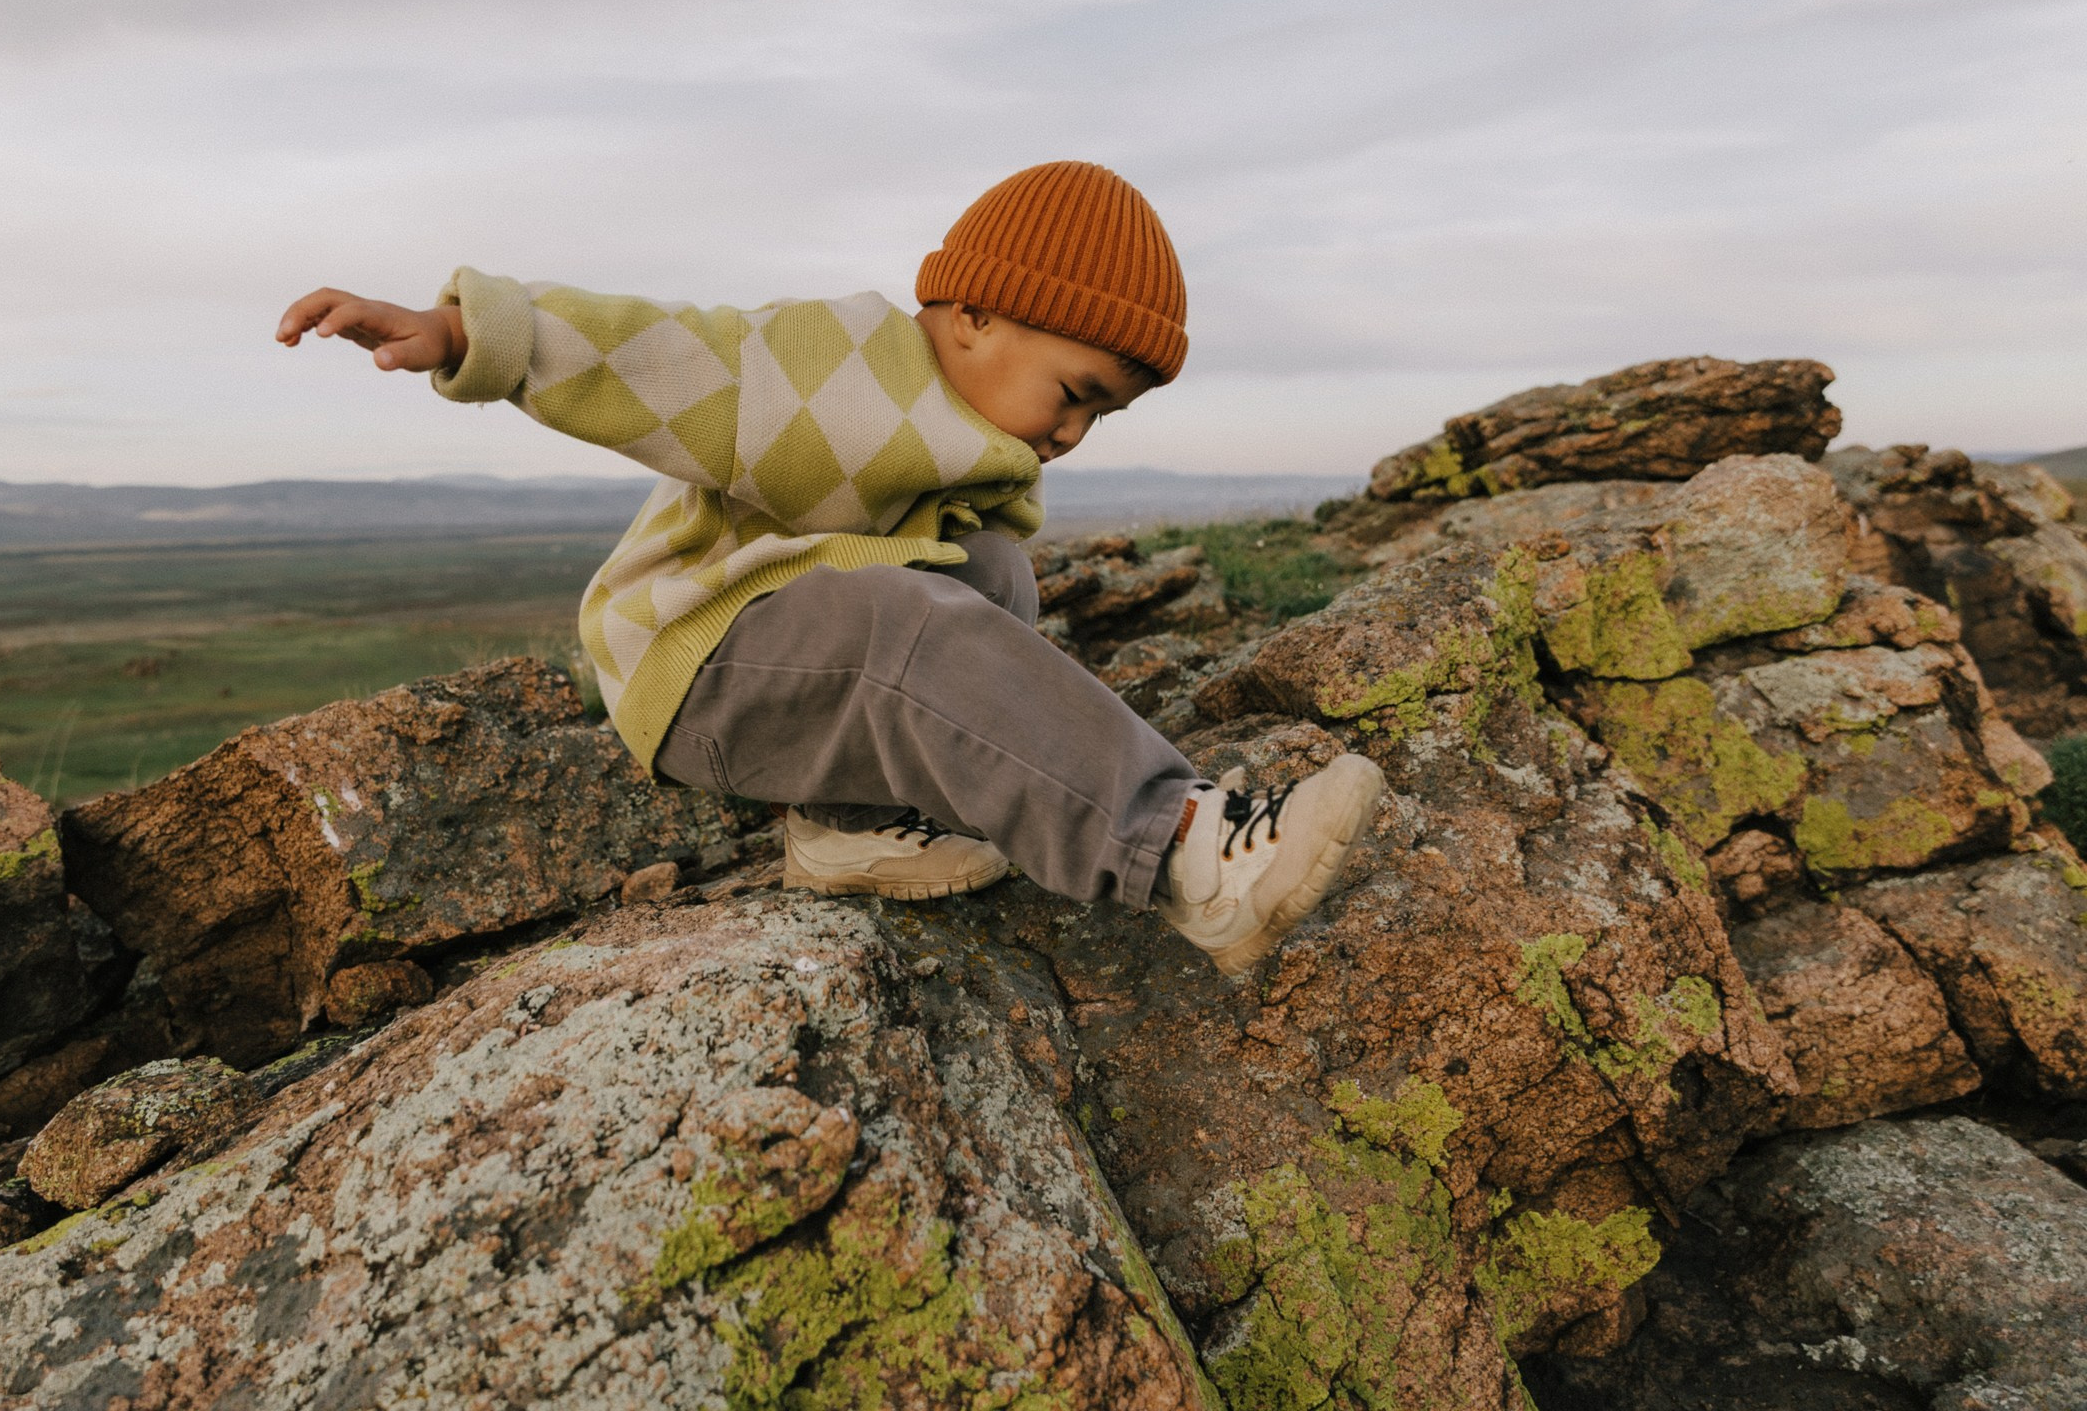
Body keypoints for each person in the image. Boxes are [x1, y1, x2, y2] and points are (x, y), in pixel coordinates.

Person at [277, 161, 1383, 975]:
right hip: (696, 666)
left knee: (990, 576)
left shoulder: (971, 445)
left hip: (789, 669)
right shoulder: (835, 366)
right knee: (913, 631)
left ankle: (849, 827)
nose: (1078, 434)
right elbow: (667, 356)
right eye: (1079, 390)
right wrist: (477, 336)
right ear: (977, 314)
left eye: (1109, 411)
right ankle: (1195, 856)